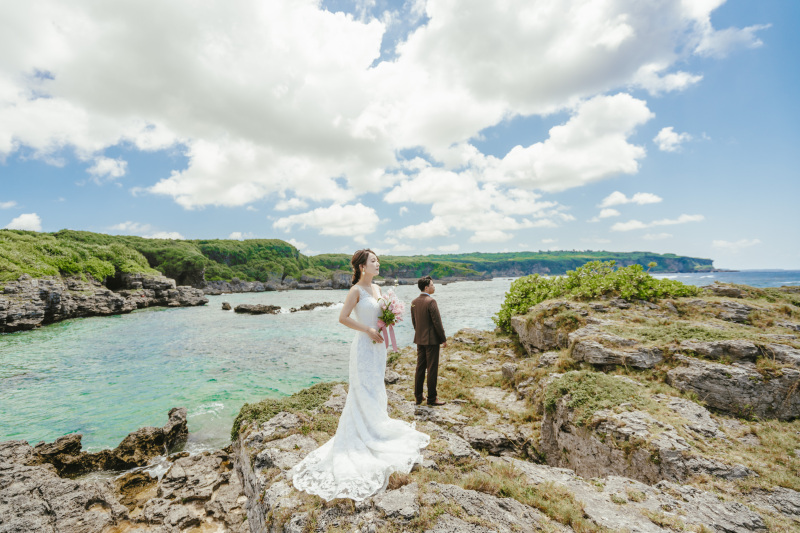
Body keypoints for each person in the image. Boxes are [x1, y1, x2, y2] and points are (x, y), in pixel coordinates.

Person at [289, 249, 430, 501]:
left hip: (378, 348)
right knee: (361, 389)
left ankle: (376, 427)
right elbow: (342, 318)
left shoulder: (377, 289)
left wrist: (386, 321)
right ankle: (362, 434)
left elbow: (379, 315)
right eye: (373, 261)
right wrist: (366, 328)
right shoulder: (355, 290)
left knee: (376, 388)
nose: (378, 263)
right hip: (364, 347)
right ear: (362, 267)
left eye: (378, 260)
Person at [411, 276, 447, 406]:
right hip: (432, 341)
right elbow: (437, 322)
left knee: (420, 368)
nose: (434, 286)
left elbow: (414, 322)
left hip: (420, 339)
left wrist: (420, 334)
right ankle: (432, 398)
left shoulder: (414, 301)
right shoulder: (431, 302)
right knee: (432, 369)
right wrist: (443, 339)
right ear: (426, 287)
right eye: (432, 285)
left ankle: (418, 397)